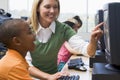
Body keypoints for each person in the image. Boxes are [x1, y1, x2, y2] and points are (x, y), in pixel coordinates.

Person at [25, 0, 103, 79]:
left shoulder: (63, 29)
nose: (52, 11)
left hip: (54, 77)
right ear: (37, 8)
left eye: (55, 7)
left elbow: (88, 51)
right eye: (47, 7)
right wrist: (48, 77)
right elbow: (26, 64)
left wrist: (93, 40)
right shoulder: (26, 29)